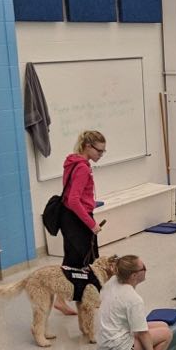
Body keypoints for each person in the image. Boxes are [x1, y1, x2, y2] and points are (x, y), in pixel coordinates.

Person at [98, 254, 172, 350]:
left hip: (105, 338)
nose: (146, 269)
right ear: (133, 276)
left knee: (163, 325)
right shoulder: (133, 299)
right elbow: (143, 334)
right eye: (143, 268)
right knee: (167, 334)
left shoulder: (113, 281)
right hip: (117, 346)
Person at [56, 129, 106, 315]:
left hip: (70, 217)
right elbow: (74, 200)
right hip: (77, 218)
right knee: (82, 259)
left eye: (103, 151)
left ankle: (71, 297)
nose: (101, 154)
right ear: (87, 146)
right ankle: (70, 298)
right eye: (99, 151)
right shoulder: (83, 168)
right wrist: (91, 224)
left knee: (74, 257)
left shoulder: (73, 162)